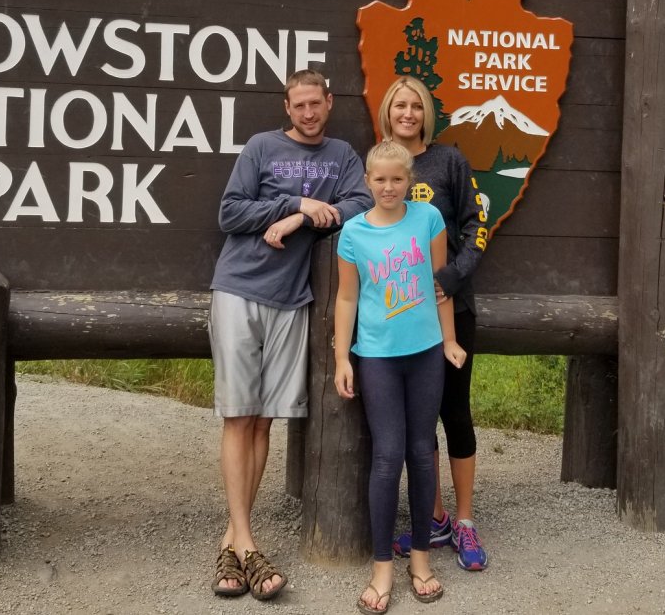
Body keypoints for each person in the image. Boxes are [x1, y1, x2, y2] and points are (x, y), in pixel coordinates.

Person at [209, 68, 373, 601]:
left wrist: (302, 223)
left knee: (263, 422)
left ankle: (233, 542)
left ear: (330, 101)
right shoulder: (261, 146)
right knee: (239, 416)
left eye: (315, 103)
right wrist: (295, 205)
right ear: (288, 106)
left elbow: (361, 204)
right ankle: (248, 543)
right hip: (239, 289)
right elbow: (230, 212)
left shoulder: (343, 155)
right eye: (298, 105)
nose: (307, 113)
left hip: (292, 299)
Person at [335, 140, 466, 613]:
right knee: (387, 457)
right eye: (380, 179)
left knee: (422, 453)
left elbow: (440, 285)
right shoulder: (352, 233)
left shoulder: (428, 220)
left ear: (410, 181)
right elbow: (347, 298)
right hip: (377, 357)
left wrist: (449, 340)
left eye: (397, 179)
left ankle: (420, 560)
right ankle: (381, 568)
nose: (388, 187)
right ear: (367, 182)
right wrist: (342, 358)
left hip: (427, 352)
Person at [379, 76, 490, 572]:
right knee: (416, 423)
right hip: (400, 317)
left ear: (427, 113)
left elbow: (476, 226)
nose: (408, 113)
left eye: (416, 105)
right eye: (399, 105)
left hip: (452, 309)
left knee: (455, 413)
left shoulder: (450, 161)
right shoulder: (379, 163)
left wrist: (452, 274)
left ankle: (465, 522)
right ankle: (437, 516)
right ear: (388, 111)